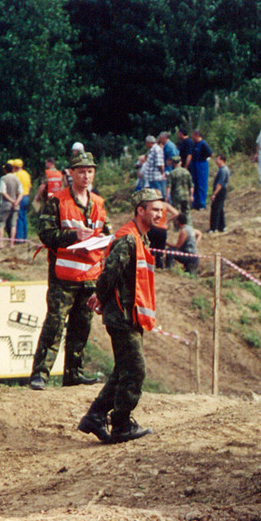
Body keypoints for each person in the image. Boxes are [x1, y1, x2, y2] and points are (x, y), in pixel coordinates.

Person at [77, 188, 163, 445]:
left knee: (124, 370)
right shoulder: (128, 239)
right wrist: (100, 297)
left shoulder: (140, 238)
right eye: (154, 209)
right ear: (141, 210)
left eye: (160, 209)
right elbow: (108, 273)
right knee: (135, 370)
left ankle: (95, 416)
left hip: (130, 314)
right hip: (122, 316)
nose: (159, 214)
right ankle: (121, 425)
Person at [29, 151, 109, 390]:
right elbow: (45, 234)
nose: (86, 176)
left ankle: (74, 373)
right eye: (81, 171)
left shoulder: (98, 203)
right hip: (63, 276)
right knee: (54, 324)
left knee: (81, 326)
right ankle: (40, 374)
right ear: (71, 173)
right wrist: (74, 236)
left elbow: (107, 233)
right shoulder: (57, 201)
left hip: (90, 276)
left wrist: (104, 239)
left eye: (90, 171)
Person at [0, 163, 22, 246]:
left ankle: (0, 243)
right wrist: (16, 202)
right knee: (13, 224)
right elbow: (21, 193)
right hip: (16, 205)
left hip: (6, 204)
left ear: (5, 170)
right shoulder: (17, 179)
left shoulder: (3, 179)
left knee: (1, 223)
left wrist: (11, 201)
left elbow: (3, 192)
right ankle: (11, 243)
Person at [189, 130, 213, 209]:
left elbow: (211, 153)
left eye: (193, 135)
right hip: (194, 165)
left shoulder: (203, 144)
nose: (192, 137)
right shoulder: (194, 144)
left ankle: (202, 204)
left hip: (201, 165)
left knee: (201, 184)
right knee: (194, 184)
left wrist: (205, 158)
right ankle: (195, 203)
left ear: (197, 135)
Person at [10, 159, 32, 241]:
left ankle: (19, 238)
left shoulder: (16, 175)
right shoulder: (26, 174)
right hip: (26, 196)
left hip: (20, 197)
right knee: (24, 217)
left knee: (18, 218)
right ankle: (24, 236)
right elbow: (30, 186)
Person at [168, 154, 192, 225]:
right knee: (187, 211)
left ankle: (177, 227)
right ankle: (188, 225)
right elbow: (191, 185)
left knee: (176, 212)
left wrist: (167, 197)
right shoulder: (186, 172)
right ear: (180, 163)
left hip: (176, 195)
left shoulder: (172, 173)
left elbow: (168, 186)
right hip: (186, 195)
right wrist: (191, 196)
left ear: (173, 163)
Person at [210, 154, 230, 233]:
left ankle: (214, 228)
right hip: (222, 190)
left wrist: (214, 194)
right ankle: (221, 226)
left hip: (220, 191)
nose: (216, 161)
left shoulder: (223, 170)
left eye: (217, 159)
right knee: (220, 209)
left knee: (215, 209)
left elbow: (220, 184)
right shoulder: (222, 169)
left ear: (222, 160)